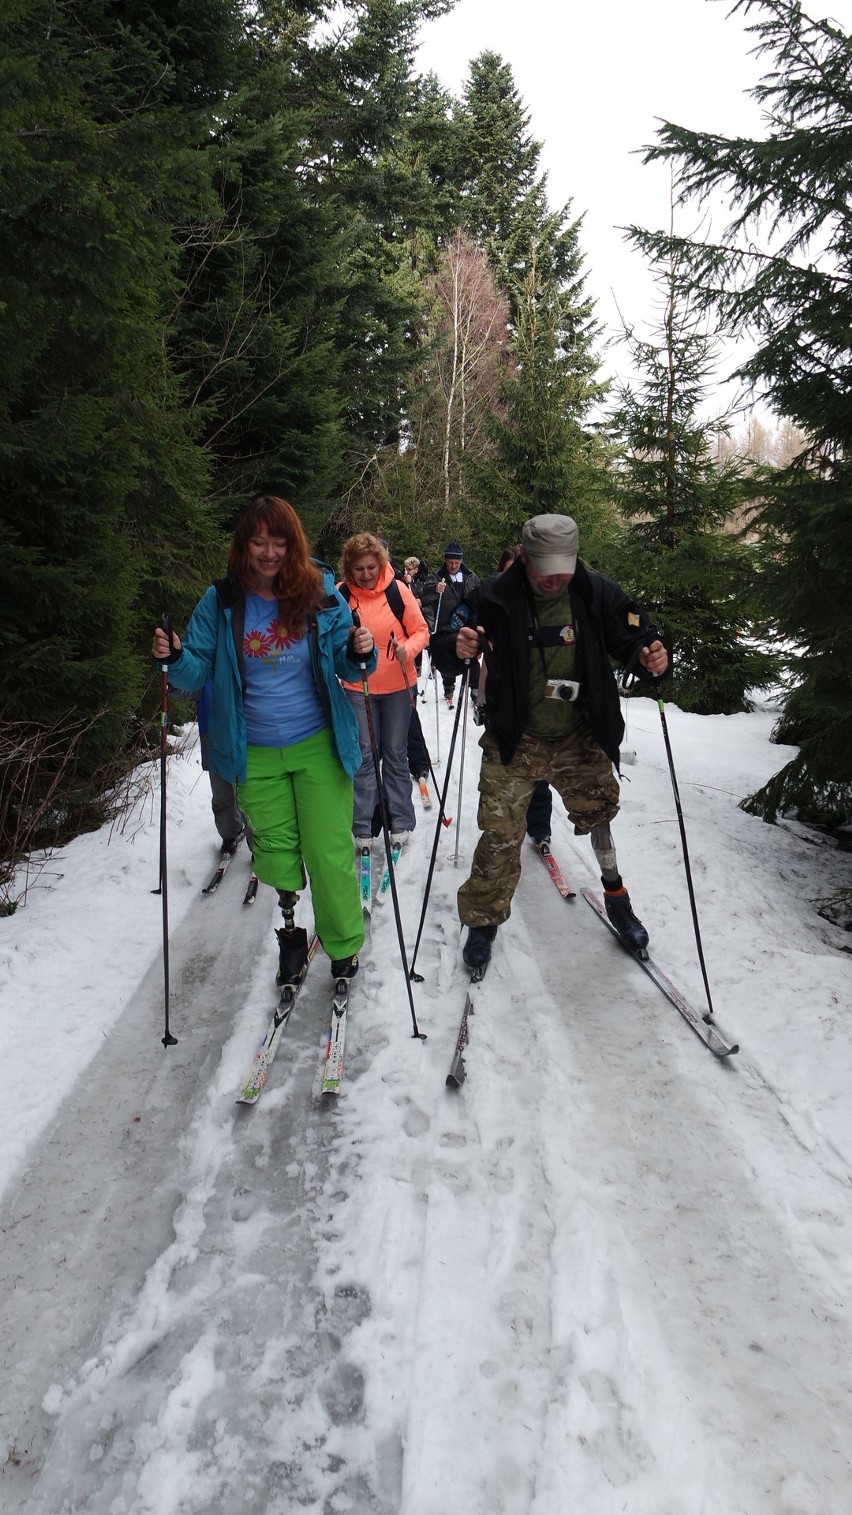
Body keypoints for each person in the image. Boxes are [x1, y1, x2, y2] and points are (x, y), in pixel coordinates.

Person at [151, 494, 377, 984]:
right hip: (253, 751)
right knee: (275, 853)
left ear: (293, 544)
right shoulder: (223, 599)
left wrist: (362, 650)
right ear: (244, 545)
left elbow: (347, 661)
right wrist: (172, 658)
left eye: (279, 541)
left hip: (318, 743)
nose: (269, 552)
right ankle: (292, 934)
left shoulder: (318, 592)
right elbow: (196, 673)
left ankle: (342, 946)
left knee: (328, 853)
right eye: (259, 541)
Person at [431, 513, 669, 970]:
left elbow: (637, 637)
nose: (555, 579)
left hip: (579, 733)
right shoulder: (495, 595)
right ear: (523, 557)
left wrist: (652, 655)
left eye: (563, 567)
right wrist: (456, 647)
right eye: (545, 570)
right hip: (515, 738)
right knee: (499, 834)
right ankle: (483, 922)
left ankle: (616, 896)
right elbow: (447, 637)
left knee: (599, 814)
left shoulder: (595, 591)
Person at [338, 533, 430, 851]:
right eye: (359, 568)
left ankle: (400, 820)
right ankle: (362, 824)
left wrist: (407, 648)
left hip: (397, 686)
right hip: (355, 686)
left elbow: (421, 630)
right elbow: (332, 636)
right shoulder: (341, 594)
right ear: (349, 569)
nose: (365, 574)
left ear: (381, 564)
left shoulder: (397, 590)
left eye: (371, 567)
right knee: (364, 756)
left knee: (394, 753)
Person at [420, 541, 480, 707]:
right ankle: (448, 687)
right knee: (448, 657)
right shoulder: (438, 575)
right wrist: (435, 589)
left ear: (461, 561)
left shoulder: (471, 577)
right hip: (446, 624)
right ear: (445, 561)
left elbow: (479, 596)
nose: (453, 565)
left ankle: (475, 689)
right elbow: (426, 591)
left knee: (472, 657)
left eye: (456, 562)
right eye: (450, 562)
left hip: (467, 623)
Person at [196, 679, 252, 856]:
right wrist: (173, 673)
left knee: (250, 794)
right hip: (212, 734)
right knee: (222, 794)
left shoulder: (243, 659)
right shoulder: (203, 665)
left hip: (245, 732)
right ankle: (229, 835)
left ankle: (259, 842)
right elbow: (186, 687)